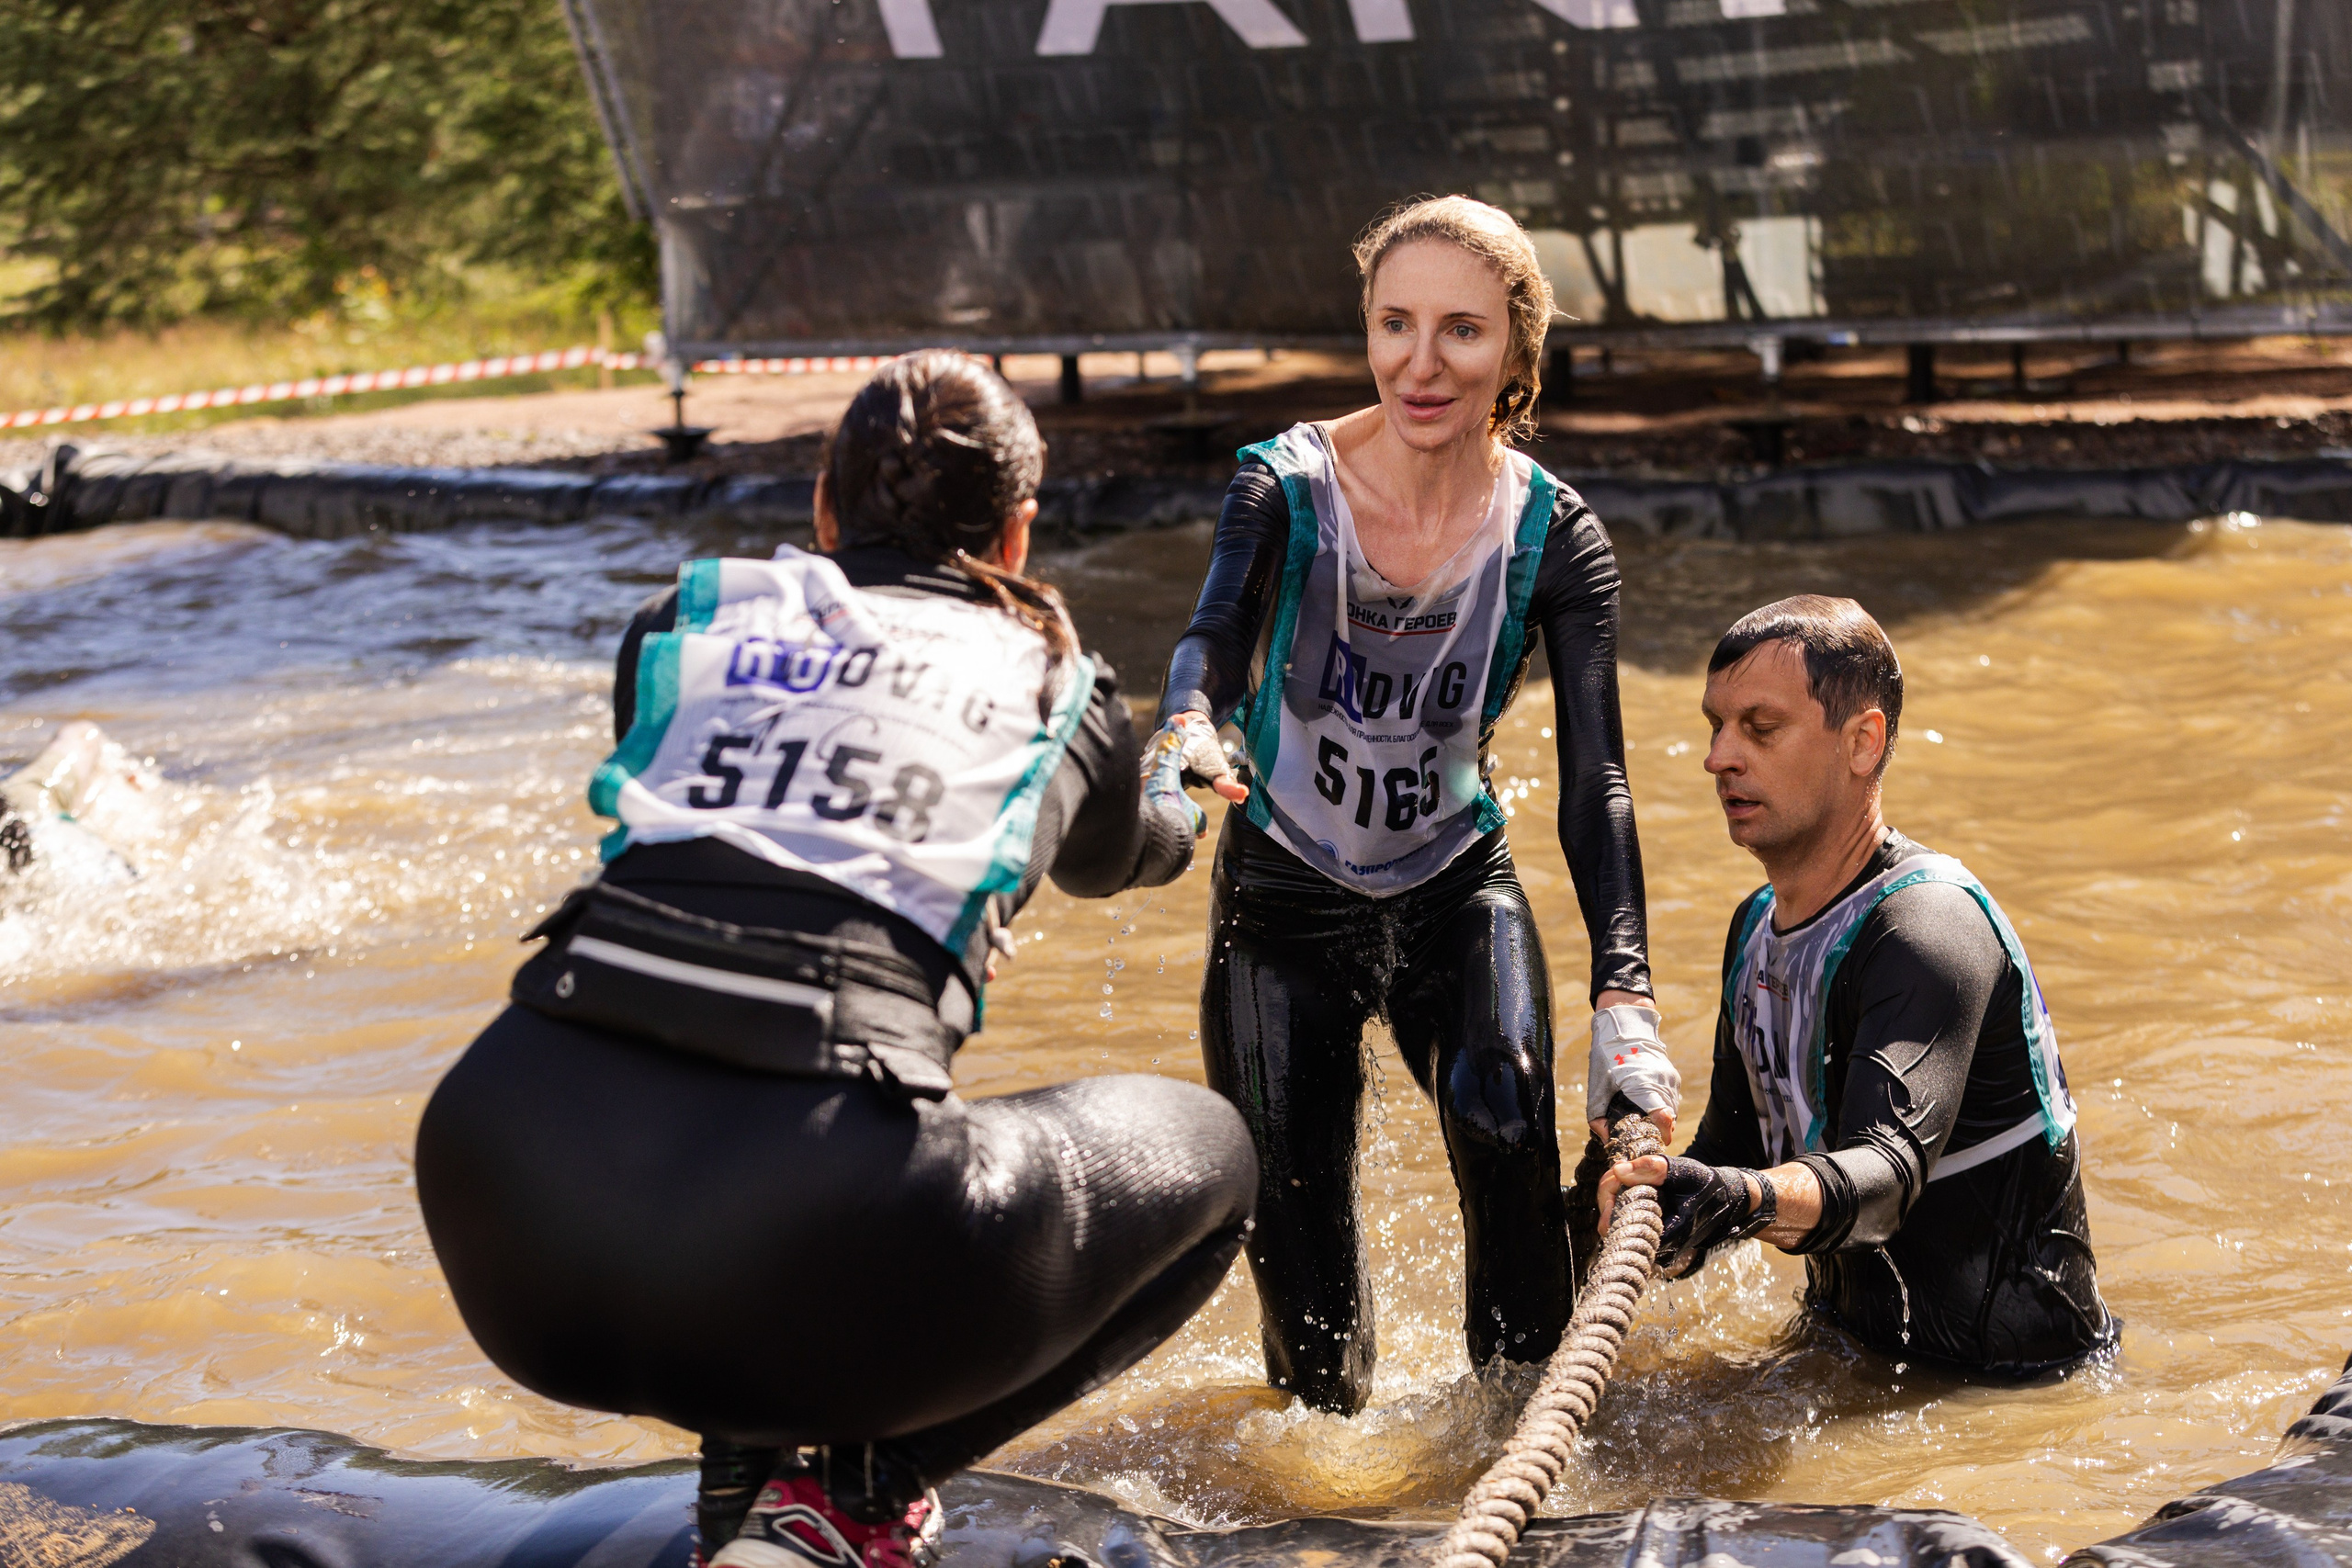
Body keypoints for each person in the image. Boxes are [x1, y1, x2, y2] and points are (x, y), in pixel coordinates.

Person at [415, 351, 1258, 1568]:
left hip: (509, 1222)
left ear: (820, 509)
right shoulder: (1056, 684)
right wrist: (1176, 762)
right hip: (814, 1232)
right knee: (1219, 1160)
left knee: (726, 1059)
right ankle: (864, 1491)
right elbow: (1133, 854)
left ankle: (743, 1511)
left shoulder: (681, 621)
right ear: (1019, 535)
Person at [1145, 197, 1675, 1416]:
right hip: (1281, 897)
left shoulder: (1557, 534)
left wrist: (1627, 991)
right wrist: (1185, 730)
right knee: (1302, 1258)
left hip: (1453, 883)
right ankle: (1326, 1494)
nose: (1420, 364)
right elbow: (1209, 640)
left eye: (1461, 332)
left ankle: (1528, 1445)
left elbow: (1597, 777)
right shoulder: (1282, 487)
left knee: (1503, 1119)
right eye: (1394, 324)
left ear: (1517, 355)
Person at [1597, 595, 2118, 1374]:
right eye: (1716, 725)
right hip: (1850, 1352)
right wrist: (1645, 1196)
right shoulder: (1756, 927)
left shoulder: (1926, 928)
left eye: (1760, 728)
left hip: (2010, 1388)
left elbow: (1884, 1181)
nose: (1718, 758)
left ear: (1863, 742)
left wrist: (1737, 1200)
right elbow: (1734, 1148)